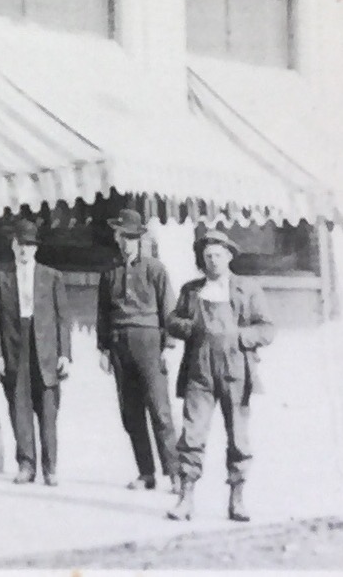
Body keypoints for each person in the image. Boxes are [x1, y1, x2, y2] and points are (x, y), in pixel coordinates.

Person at [166, 227, 272, 523]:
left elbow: (267, 329)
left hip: (236, 371)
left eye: (217, 255)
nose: (212, 260)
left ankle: (236, 500)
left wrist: (238, 336)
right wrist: (191, 329)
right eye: (207, 256)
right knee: (191, 434)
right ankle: (185, 499)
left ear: (228, 257)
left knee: (238, 437)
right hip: (199, 372)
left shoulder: (247, 289)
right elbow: (173, 320)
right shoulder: (191, 290)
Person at [96, 207, 179, 492]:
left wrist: (168, 345)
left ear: (140, 239)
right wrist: (104, 349)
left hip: (149, 342)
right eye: (122, 236)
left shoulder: (155, 269)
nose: (126, 242)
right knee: (130, 412)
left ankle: (176, 474)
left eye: (131, 237)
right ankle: (146, 473)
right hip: (120, 343)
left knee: (159, 409)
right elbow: (103, 313)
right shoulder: (109, 272)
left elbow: (169, 308)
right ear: (117, 237)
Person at [0, 217, 70, 485]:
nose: (25, 250)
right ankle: (26, 465)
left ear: (36, 248)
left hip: (45, 348)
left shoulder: (52, 277)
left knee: (47, 408)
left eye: (30, 245)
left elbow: (62, 318)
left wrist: (65, 354)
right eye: (21, 244)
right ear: (13, 245)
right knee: (19, 407)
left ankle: (50, 468)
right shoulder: (0, 279)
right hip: (14, 347)